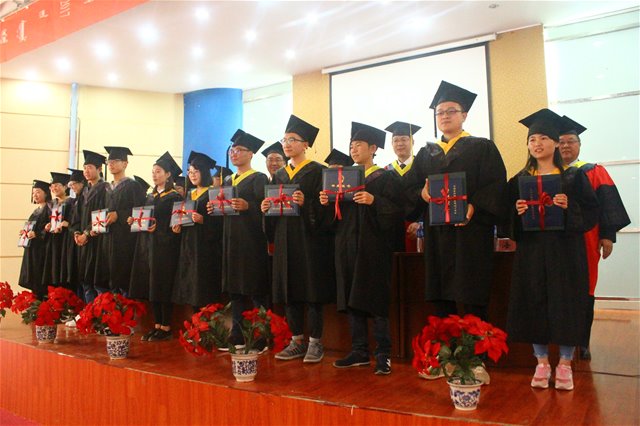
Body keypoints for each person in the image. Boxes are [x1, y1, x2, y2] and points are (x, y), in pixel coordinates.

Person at [507, 108, 598, 391]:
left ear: (557, 143)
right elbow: (506, 220)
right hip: (532, 252)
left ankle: (566, 364)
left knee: (566, 302)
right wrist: (517, 212)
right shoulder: (519, 180)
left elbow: (591, 213)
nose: (537, 144)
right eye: (532, 139)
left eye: (544, 138)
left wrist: (570, 207)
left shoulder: (573, 177)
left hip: (565, 251)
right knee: (534, 300)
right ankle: (542, 362)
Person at [405, 81, 507, 321]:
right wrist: (422, 194)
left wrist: (475, 206)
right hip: (437, 235)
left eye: (451, 111)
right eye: (440, 112)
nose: (444, 116)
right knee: (441, 295)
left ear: (464, 115)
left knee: (472, 293)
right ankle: (446, 344)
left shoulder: (482, 147)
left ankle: (476, 344)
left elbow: (496, 185)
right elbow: (409, 187)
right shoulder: (426, 153)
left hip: (470, 233)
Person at [321, 122, 403, 375]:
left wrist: (374, 200)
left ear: (373, 148)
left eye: (358, 145)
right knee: (351, 296)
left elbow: (398, 212)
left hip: (373, 247)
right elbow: (332, 221)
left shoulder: (386, 177)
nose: (353, 149)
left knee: (375, 298)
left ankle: (383, 354)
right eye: (351, 146)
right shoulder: (343, 179)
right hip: (346, 245)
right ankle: (359, 351)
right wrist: (328, 202)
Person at [261, 114, 336, 363]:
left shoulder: (318, 171)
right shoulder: (280, 175)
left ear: (306, 144)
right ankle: (296, 340)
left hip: (309, 241)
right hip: (285, 239)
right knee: (289, 289)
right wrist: (266, 209)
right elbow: (273, 217)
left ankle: (315, 342)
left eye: (292, 140)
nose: (287, 144)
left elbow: (327, 210)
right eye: (285, 140)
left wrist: (308, 203)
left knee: (311, 290)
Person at [559, 115, 630, 360]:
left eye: (571, 141)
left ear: (579, 145)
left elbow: (609, 206)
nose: (565, 146)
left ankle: (582, 341)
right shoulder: (546, 172)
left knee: (584, 287)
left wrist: (607, 236)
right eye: (561, 142)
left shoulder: (593, 171)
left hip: (586, 239)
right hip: (556, 240)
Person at [215, 130, 270, 348]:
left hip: (251, 242)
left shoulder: (259, 178)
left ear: (250, 154)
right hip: (231, 241)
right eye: (232, 150)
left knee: (255, 289)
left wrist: (249, 206)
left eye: (239, 150)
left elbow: (266, 209)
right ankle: (236, 333)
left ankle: (261, 335)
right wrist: (215, 208)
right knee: (235, 290)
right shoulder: (228, 179)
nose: (234, 154)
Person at [130, 152, 183, 341]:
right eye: (153, 171)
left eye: (158, 171)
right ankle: (157, 324)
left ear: (168, 174)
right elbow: (146, 217)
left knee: (163, 285)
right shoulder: (151, 196)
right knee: (152, 286)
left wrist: (158, 228)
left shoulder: (174, 197)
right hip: (149, 246)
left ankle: (166, 326)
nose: (154, 175)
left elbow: (176, 223)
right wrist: (135, 221)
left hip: (166, 248)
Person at [172, 151, 223, 310]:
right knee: (191, 288)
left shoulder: (213, 193)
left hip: (205, 247)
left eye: (196, 171)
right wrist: (178, 225)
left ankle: (206, 323)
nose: (192, 175)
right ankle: (195, 322)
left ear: (205, 172)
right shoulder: (189, 194)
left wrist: (203, 220)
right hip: (188, 246)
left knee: (203, 287)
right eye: (190, 172)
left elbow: (220, 224)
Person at [101, 146, 146, 294]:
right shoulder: (106, 188)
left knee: (123, 279)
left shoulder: (133, 186)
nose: (111, 164)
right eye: (109, 162)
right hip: (108, 238)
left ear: (125, 164)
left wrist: (119, 215)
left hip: (126, 240)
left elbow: (140, 210)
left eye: (115, 161)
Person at [73, 150, 109, 302]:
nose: (86, 171)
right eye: (84, 168)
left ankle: (101, 314)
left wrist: (86, 234)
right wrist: (76, 233)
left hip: (98, 241)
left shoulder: (105, 189)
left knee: (98, 282)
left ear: (99, 169)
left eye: (90, 167)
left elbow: (103, 213)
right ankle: (89, 313)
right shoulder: (84, 191)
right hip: (83, 244)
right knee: (85, 282)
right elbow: (76, 216)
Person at [385, 121, 422, 252]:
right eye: (396, 140)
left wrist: (421, 223)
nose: (399, 144)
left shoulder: (422, 167)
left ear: (412, 142)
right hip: (393, 229)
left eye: (404, 139)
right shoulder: (386, 171)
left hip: (418, 228)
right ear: (392, 144)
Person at [18, 180, 51, 299]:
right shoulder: (36, 211)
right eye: (33, 193)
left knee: (40, 280)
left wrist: (37, 234)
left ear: (46, 193)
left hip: (42, 251)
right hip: (32, 249)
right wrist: (24, 233)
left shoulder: (50, 210)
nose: (35, 195)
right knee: (32, 279)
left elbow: (49, 229)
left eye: (38, 192)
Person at [42, 172, 72, 290]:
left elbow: (76, 220)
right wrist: (47, 226)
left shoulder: (72, 202)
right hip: (53, 241)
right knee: (52, 269)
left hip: (66, 241)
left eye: (57, 185)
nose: (54, 188)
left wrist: (67, 224)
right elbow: (44, 223)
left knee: (63, 268)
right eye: (52, 186)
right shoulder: (50, 205)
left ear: (65, 187)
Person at [65, 168, 87, 301]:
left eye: (74, 184)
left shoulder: (85, 197)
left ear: (81, 183)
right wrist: (76, 232)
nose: (72, 187)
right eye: (71, 185)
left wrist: (84, 233)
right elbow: (75, 220)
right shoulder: (77, 200)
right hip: (77, 240)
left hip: (87, 240)